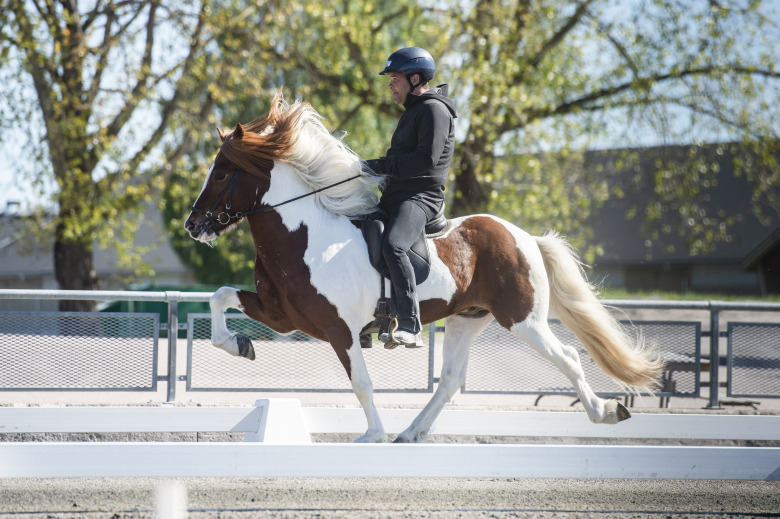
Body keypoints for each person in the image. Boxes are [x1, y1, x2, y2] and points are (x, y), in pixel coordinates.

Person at [364, 47, 457, 348]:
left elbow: (425, 161)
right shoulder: (412, 113)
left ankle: (409, 323)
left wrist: (379, 166)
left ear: (415, 78)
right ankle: (372, 319)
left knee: (394, 244)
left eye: (395, 78)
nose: (390, 85)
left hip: (421, 197)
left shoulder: (434, 110)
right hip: (397, 195)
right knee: (361, 229)